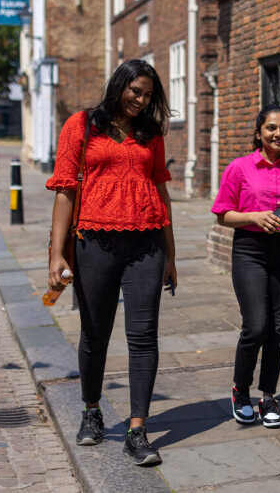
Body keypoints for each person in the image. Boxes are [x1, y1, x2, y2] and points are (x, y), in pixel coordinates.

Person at [46, 59, 176, 466]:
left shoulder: (151, 134)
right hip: (94, 243)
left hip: (146, 245)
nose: (141, 100)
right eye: (135, 91)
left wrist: (171, 255)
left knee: (143, 336)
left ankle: (138, 430)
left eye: (148, 95)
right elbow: (65, 190)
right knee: (95, 333)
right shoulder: (82, 126)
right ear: (119, 85)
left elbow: (161, 192)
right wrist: (55, 253)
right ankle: (91, 411)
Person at [212, 105, 280, 428]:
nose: (278, 134)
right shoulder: (239, 168)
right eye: (271, 128)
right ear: (259, 132)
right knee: (256, 325)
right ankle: (240, 389)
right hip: (250, 250)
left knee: (277, 329)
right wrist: (254, 217)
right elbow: (222, 214)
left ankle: (269, 395)